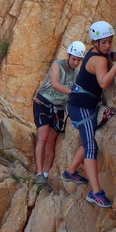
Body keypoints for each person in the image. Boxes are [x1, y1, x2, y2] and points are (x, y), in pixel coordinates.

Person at [64, 21, 116, 208]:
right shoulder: (98, 59)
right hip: (81, 107)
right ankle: (96, 193)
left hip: (83, 104)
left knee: (87, 140)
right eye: (104, 42)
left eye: (110, 41)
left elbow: (111, 56)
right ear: (95, 43)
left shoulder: (100, 53)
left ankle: (71, 171)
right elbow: (103, 83)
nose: (108, 46)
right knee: (91, 146)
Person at [33, 41, 86, 191]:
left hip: (59, 108)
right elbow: (55, 84)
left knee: (51, 141)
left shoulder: (76, 73)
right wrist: (74, 93)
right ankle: (39, 174)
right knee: (42, 137)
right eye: (74, 59)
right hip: (43, 102)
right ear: (68, 55)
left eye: (78, 60)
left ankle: (45, 173)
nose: (76, 62)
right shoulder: (57, 65)